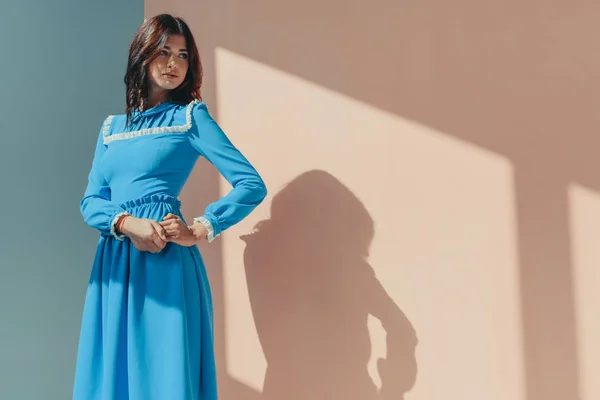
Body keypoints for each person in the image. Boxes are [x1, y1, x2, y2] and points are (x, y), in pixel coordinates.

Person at [73, 14, 267, 400]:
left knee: (163, 376)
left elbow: (251, 184)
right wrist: (128, 223)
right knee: (111, 375)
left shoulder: (190, 117)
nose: (174, 63)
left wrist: (199, 228)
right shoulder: (111, 128)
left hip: (164, 262)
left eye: (182, 55)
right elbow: (91, 202)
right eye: (163, 52)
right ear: (142, 57)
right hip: (115, 262)